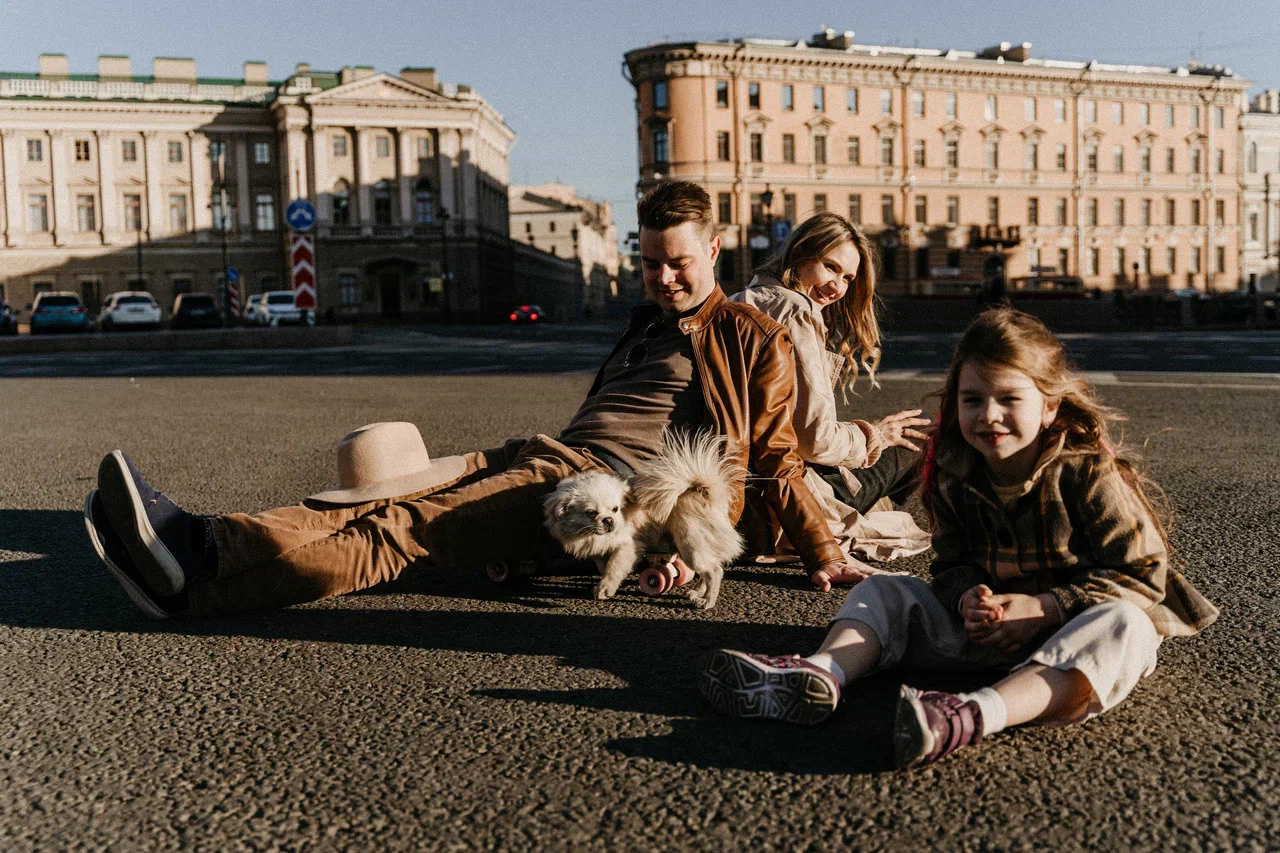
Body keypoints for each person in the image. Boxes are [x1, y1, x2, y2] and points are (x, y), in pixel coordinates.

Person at [84, 181, 872, 618]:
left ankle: (195, 587)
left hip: (594, 487)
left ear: (714, 249)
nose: (664, 279)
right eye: (652, 263)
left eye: (680, 265)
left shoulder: (749, 336)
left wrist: (824, 551)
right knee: (366, 494)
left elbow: (775, 458)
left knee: (399, 532)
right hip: (540, 451)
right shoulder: (645, 320)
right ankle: (199, 542)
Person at [697, 307, 1218, 768]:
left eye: (1009, 398)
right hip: (987, 634)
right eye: (972, 399)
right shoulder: (953, 471)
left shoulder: (1087, 474)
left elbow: (1144, 573)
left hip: (1075, 635)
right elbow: (951, 565)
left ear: (1051, 406)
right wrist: (968, 596)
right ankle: (821, 674)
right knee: (884, 590)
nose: (988, 415)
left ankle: (972, 714)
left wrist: (1047, 608)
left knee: (1130, 626)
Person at [730, 213, 932, 577]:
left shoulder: (739, 299)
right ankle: (852, 520)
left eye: (847, 278)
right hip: (789, 501)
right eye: (830, 267)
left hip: (741, 490)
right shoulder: (795, 310)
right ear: (801, 253)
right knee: (918, 440)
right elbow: (815, 441)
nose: (837, 286)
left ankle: (866, 512)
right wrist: (875, 436)